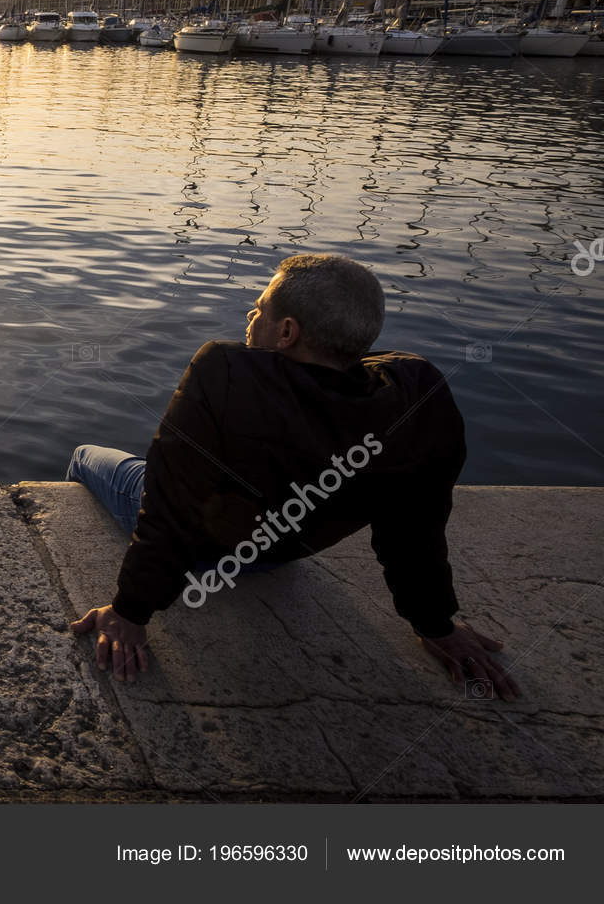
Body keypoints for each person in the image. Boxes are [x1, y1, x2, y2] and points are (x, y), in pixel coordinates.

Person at [65, 253, 520, 699]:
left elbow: (170, 505)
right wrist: (435, 624)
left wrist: (130, 613)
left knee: (86, 455)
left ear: (286, 331)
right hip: (279, 553)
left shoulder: (222, 372)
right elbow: (414, 527)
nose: (250, 315)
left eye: (260, 308)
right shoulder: (417, 395)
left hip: (206, 548)